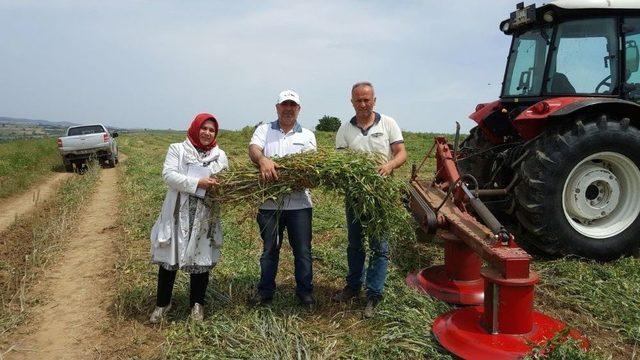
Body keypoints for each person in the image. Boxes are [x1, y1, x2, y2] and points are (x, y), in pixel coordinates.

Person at [333, 81, 407, 317]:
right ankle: (353, 286)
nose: (363, 104)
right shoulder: (345, 128)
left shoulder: (388, 123)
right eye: (358, 100)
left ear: (374, 100)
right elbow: (341, 162)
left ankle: (373, 294)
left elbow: (401, 153)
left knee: (379, 246)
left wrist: (389, 165)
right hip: (355, 196)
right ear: (352, 102)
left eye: (367, 99)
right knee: (355, 244)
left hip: (380, 195)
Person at [149, 113, 228, 323]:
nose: (207, 133)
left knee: (201, 260)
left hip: (204, 214)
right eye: (204, 128)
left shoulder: (220, 156)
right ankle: (163, 304)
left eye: (212, 130)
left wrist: (220, 188)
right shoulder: (178, 149)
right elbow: (168, 175)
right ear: (195, 128)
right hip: (177, 212)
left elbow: (224, 181)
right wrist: (197, 183)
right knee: (169, 261)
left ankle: (197, 305)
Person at [248, 89, 317, 306]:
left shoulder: (307, 135)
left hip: (299, 205)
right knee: (269, 249)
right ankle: (265, 290)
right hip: (269, 204)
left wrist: (298, 177)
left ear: (298, 109)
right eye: (284, 105)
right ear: (277, 108)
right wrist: (263, 160)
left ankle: (305, 291)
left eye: (292, 105)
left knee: (303, 251)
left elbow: (311, 166)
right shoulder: (264, 130)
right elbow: (253, 149)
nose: (288, 109)